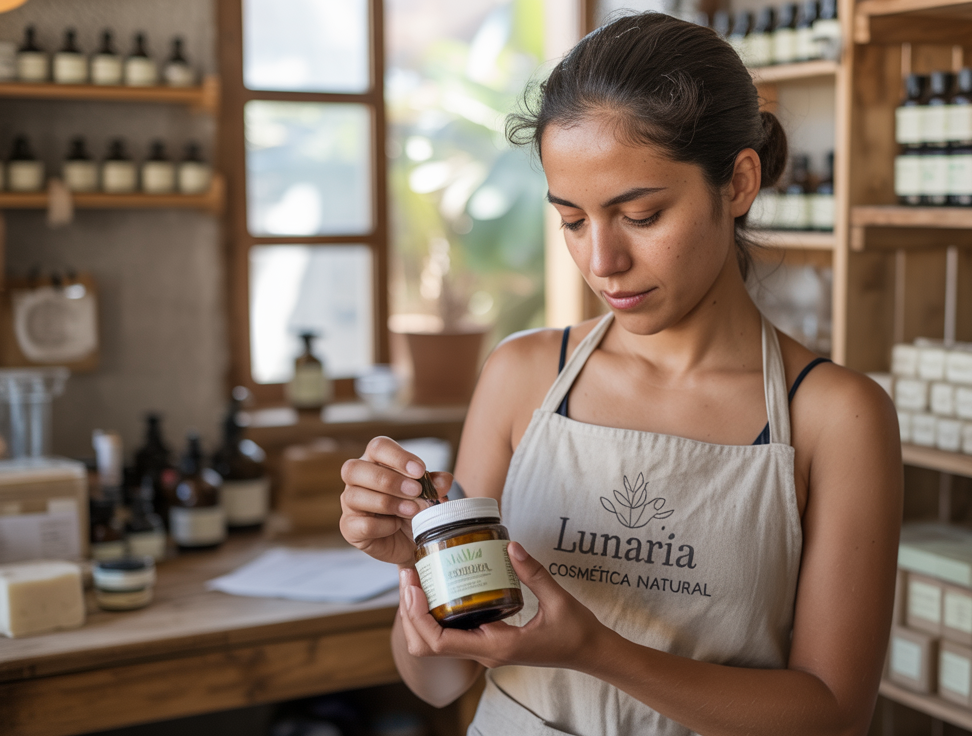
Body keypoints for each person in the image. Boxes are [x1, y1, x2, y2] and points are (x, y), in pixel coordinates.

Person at [340, 12, 901, 735]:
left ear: (738, 181)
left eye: (640, 214)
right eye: (572, 221)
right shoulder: (522, 377)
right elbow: (440, 680)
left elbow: (833, 716)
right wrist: (416, 565)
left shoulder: (835, 416)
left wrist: (597, 651)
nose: (602, 262)